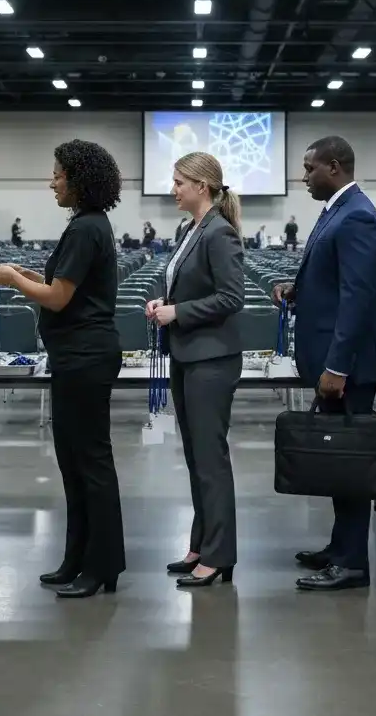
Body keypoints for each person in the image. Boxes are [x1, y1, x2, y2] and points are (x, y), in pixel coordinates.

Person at [0, 139, 125, 598]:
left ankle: (101, 565)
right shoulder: (85, 224)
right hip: (75, 356)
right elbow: (62, 286)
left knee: (90, 463)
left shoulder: (87, 227)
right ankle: (77, 557)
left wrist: (15, 280)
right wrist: (29, 277)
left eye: (58, 175)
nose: (52, 182)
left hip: (86, 357)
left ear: (78, 180)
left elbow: (59, 298)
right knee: (72, 463)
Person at [273, 136, 376, 592]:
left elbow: (358, 297)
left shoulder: (357, 215)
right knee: (339, 461)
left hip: (349, 366)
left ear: (334, 167)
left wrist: (337, 366)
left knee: (351, 461)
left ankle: (353, 563)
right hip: (335, 360)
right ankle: (340, 547)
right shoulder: (336, 211)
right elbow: (335, 280)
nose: (304, 177)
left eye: (309, 169)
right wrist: (296, 290)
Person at [147, 151, 244, 589]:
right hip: (188, 356)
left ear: (201, 187)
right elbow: (184, 285)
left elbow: (231, 297)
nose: (173, 189)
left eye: (179, 182)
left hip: (211, 361)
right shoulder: (191, 229)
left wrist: (178, 313)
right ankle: (202, 544)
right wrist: (163, 304)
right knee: (195, 458)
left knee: (210, 460)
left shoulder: (219, 233)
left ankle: (219, 555)